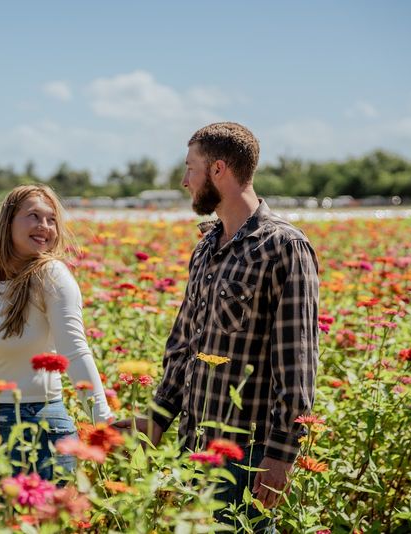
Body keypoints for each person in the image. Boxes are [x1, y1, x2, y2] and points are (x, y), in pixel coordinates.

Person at [114, 122, 319, 524]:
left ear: (219, 170)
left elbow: (297, 363)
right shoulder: (207, 247)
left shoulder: (283, 246)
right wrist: (157, 418)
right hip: (195, 446)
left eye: (191, 168)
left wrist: (280, 456)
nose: (184, 180)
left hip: (247, 454)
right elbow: (183, 347)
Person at [0, 184, 114, 488]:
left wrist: (102, 419)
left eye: (52, 220)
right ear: (8, 221)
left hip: (38, 424)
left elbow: (75, 351)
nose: (45, 227)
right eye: (34, 216)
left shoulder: (51, 275)